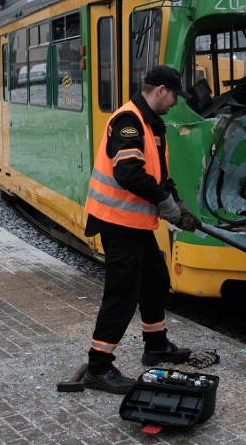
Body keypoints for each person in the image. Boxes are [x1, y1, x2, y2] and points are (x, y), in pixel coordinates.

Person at [82, 65, 202, 394]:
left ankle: (156, 346)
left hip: (134, 223)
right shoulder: (128, 122)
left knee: (155, 281)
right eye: (176, 95)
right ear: (161, 90)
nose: (177, 102)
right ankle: (99, 366)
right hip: (117, 222)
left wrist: (180, 205)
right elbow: (129, 174)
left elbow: (159, 175)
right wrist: (166, 205)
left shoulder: (153, 124)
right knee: (122, 294)